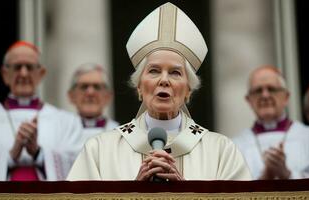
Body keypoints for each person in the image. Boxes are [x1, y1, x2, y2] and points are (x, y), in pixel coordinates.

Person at [67, 2, 251, 181]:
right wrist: (134, 195)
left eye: (175, 72)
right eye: (154, 71)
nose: (164, 80)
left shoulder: (221, 151)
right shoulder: (99, 150)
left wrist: (185, 194)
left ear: (188, 90)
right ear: (139, 86)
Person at [0, 41, 83, 181]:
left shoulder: (67, 122)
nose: (24, 73)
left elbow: (79, 167)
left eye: (29, 67)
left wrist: (39, 153)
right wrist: (10, 156)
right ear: (4, 74)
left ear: (41, 73)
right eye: (17, 67)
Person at [233, 65, 309, 179]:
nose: (265, 95)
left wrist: (287, 174)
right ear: (248, 100)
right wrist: (264, 177)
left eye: (271, 89)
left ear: (286, 97)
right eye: (258, 90)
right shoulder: (234, 146)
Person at [68, 63, 119, 141]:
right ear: (72, 96)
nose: (90, 92)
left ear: (108, 97)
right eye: (84, 86)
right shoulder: (60, 132)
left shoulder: (119, 134)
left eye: (97, 87)